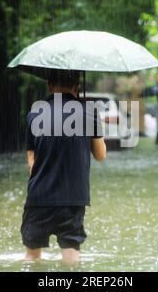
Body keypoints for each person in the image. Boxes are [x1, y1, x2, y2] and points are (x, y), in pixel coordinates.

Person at [22, 70, 107, 264]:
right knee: (71, 256)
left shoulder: (35, 112)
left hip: (39, 197)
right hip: (73, 198)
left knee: (31, 258)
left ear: (49, 85)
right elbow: (100, 155)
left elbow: (31, 161)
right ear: (77, 87)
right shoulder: (88, 110)